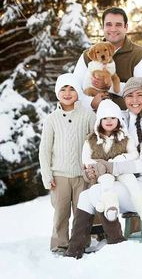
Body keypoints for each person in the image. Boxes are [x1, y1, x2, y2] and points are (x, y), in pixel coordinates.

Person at [65, 77, 142, 259]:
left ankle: (116, 243)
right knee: (86, 195)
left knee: (97, 193)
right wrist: (93, 169)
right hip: (138, 184)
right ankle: (74, 250)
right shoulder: (130, 120)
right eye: (129, 95)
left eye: (140, 95)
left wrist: (108, 167)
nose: (134, 100)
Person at [39, 73, 96, 255]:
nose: (67, 93)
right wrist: (47, 175)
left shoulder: (88, 116)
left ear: (78, 92)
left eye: (71, 88)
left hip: (82, 175)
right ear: (57, 93)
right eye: (63, 89)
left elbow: (95, 144)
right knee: (61, 213)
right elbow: (45, 150)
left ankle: (81, 242)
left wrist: (94, 170)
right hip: (59, 175)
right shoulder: (52, 119)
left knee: (82, 212)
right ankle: (59, 244)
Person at [82, 99, 142, 222]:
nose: (109, 121)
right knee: (106, 181)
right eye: (105, 118)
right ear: (99, 121)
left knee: (130, 179)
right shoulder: (90, 140)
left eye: (113, 118)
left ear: (118, 120)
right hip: (103, 172)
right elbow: (86, 159)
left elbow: (134, 154)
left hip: (121, 169)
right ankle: (110, 205)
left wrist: (121, 158)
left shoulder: (125, 137)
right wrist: (97, 165)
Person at [73, 7, 142, 110]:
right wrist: (91, 103)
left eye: (118, 25)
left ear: (126, 27)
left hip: (127, 118)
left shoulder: (139, 55)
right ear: (103, 27)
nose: (113, 29)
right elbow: (75, 89)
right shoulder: (88, 55)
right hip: (93, 116)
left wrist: (110, 85)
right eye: (108, 24)